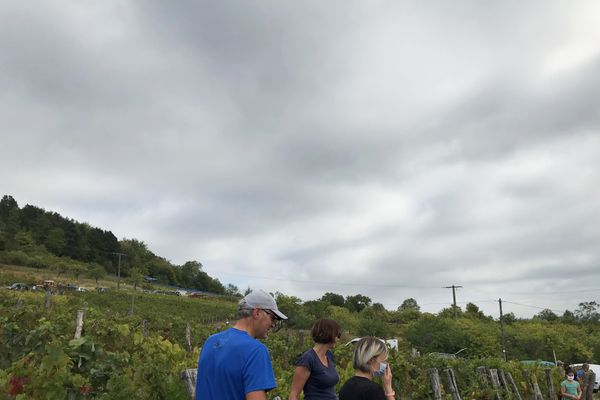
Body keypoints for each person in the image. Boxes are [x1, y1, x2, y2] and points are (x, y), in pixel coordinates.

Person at [195, 289, 288, 400]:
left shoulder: (210, 341)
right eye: (273, 317)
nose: (273, 324)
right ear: (257, 312)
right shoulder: (256, 350)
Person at [288, 318, 341, 400]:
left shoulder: (329, 355)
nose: (338, 339)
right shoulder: (308, 359)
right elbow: (294, 394)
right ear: (329, 334)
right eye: (337, 335)